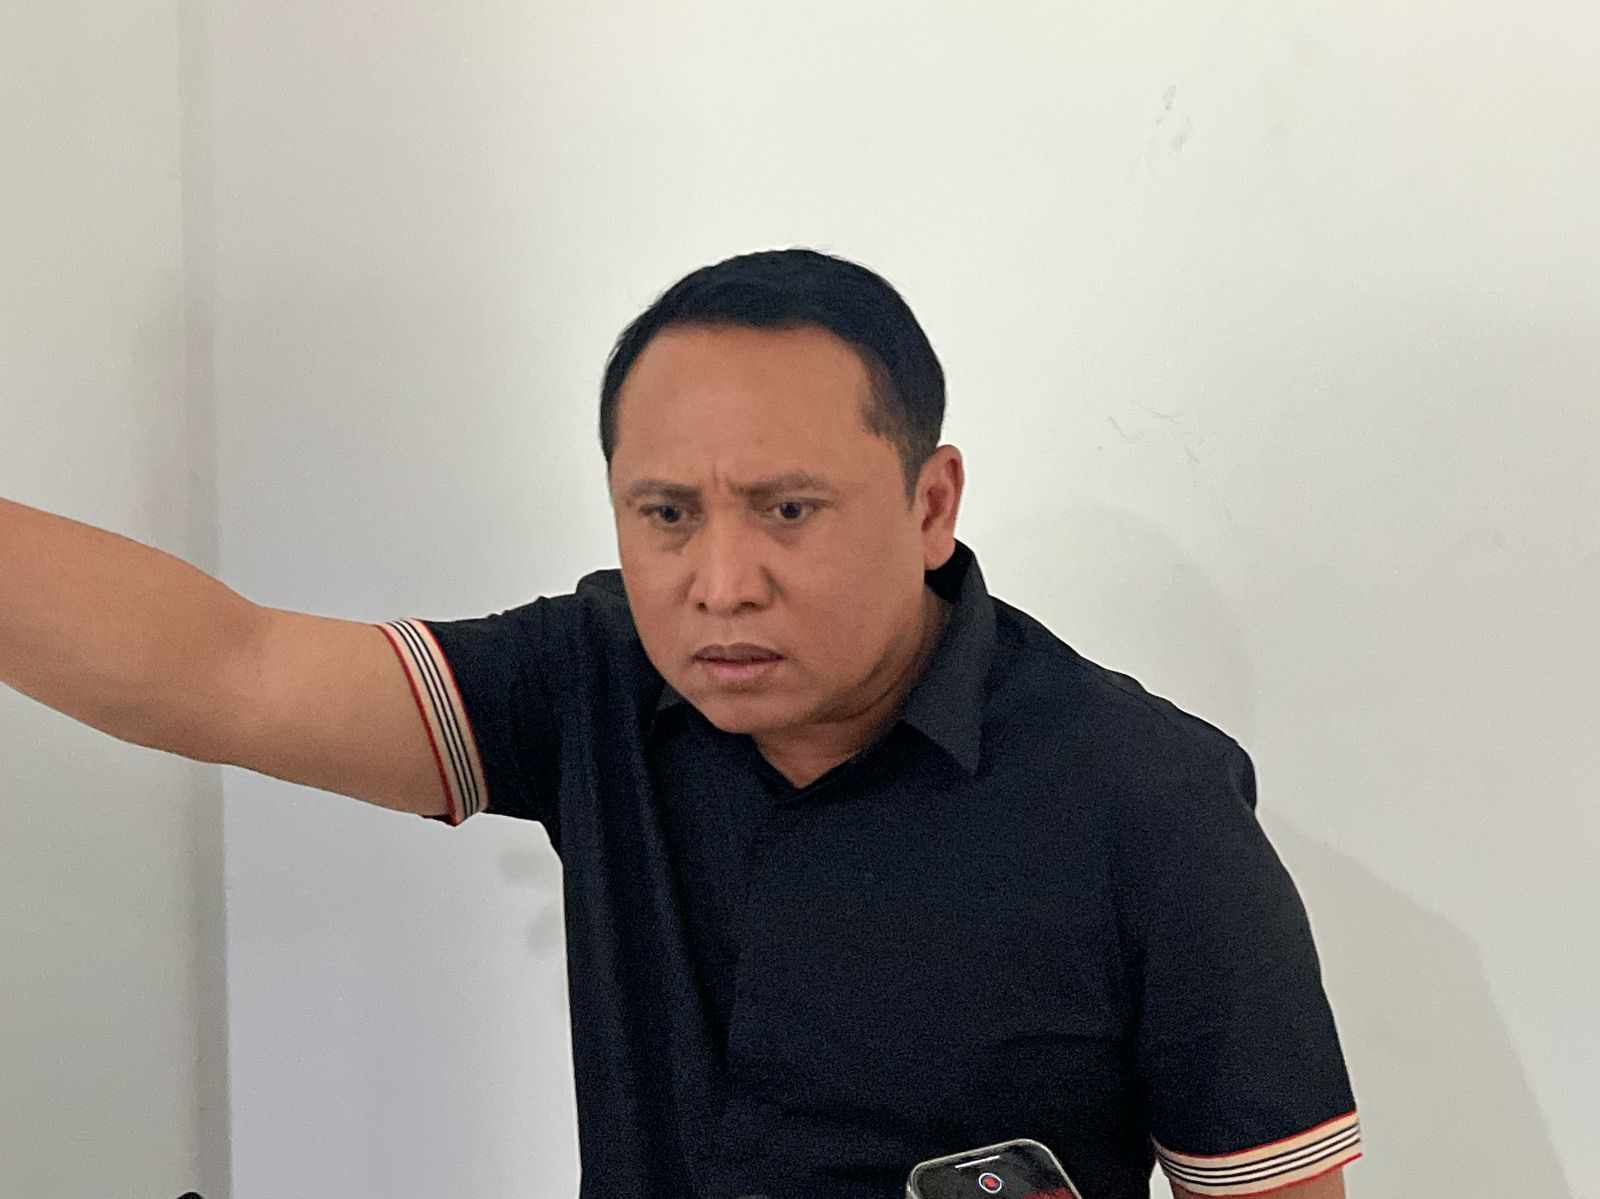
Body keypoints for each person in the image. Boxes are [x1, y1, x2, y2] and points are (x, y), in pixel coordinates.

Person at [0, 248, 1360, 1198]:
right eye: (665, 515)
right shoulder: (592, 679)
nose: (720, 582)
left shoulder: (1147, 803)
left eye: (787, 510)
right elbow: (227, 670)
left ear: (931, 504)